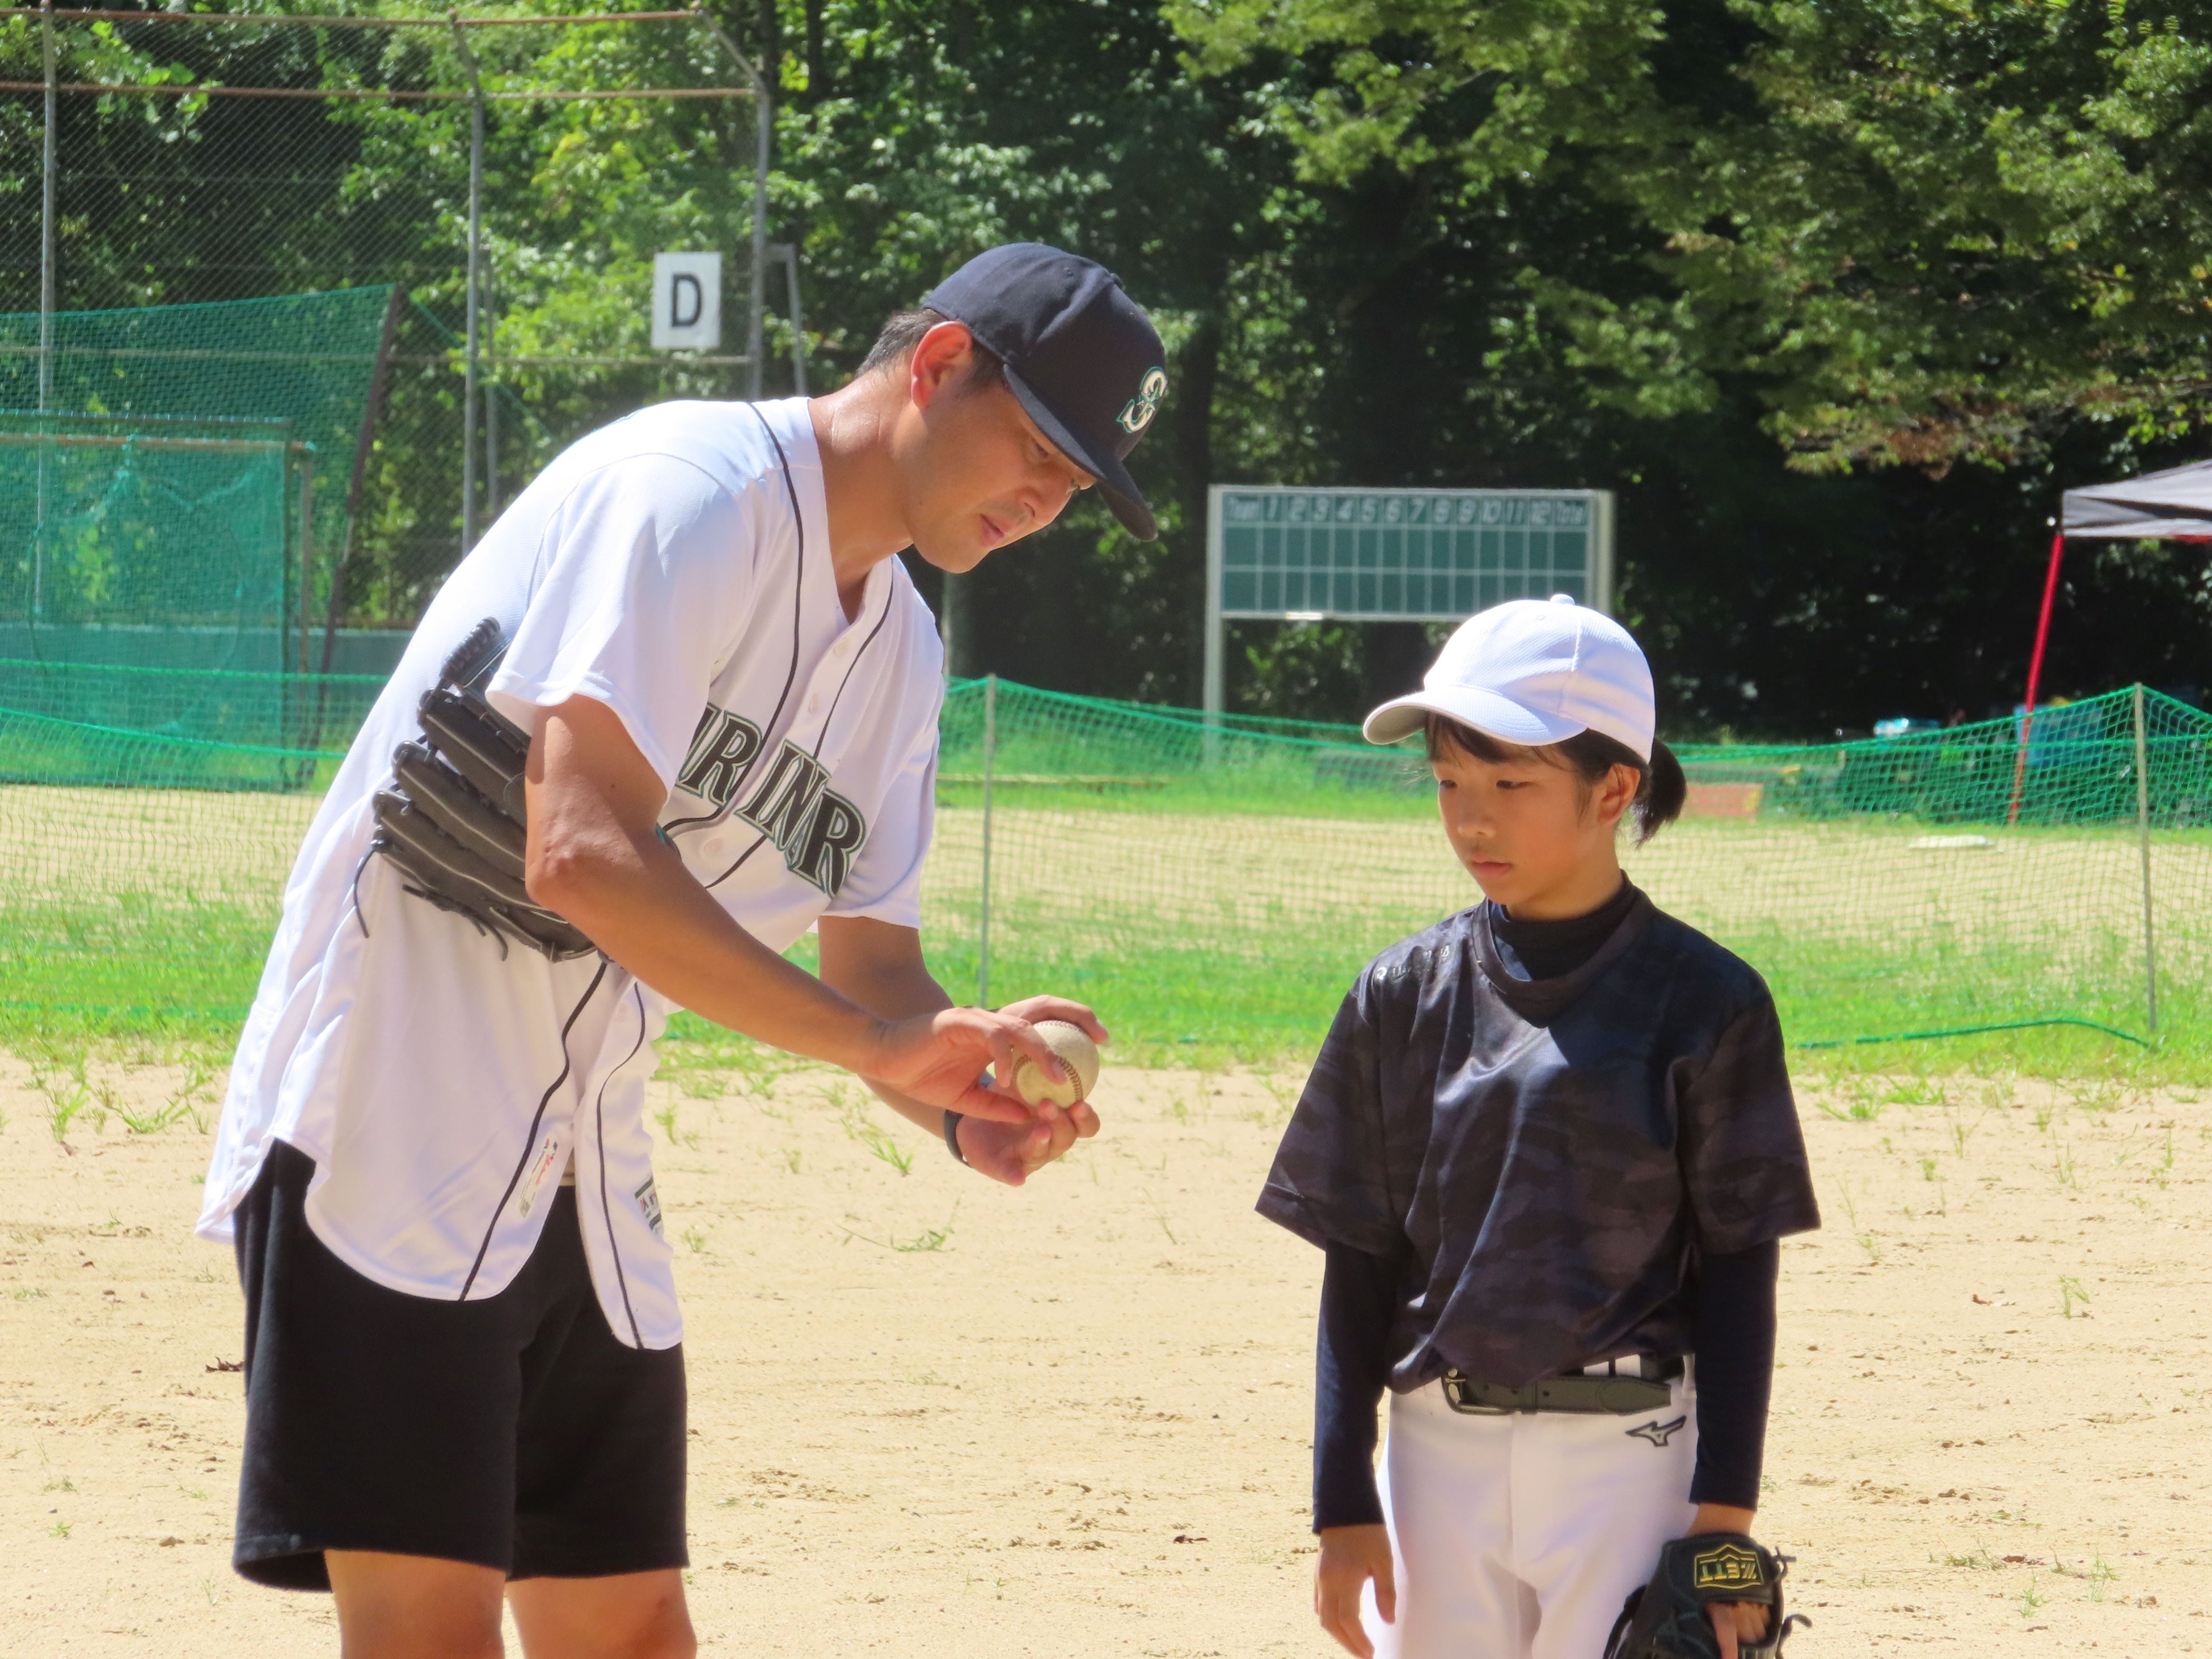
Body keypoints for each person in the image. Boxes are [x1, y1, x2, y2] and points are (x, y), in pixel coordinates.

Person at [195, 242, 1171, 1658]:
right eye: (1036, 445)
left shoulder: (899, 648)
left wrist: (960, 1085)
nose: (1043, 499)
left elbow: (874, 978)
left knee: (636, 1627)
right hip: (391, 1113)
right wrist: (881, 1046)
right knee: (428, 1633)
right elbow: (578, 848)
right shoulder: (691, 493)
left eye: (1077, 484)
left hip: (585, 1149)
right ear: (941, 362)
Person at [1257, 596, 1822, 1659]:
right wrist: (1342, 1502)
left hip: (1632, 1458)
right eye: (1450, 783)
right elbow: (1361, 1259)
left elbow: (1743, 1267)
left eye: (1512, 783)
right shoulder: (1400, 993)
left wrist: (1724, 1523)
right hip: (1437, 1456)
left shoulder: (1707, 1001)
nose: (1474, 818)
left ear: (1614, 787)